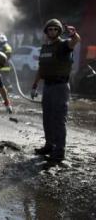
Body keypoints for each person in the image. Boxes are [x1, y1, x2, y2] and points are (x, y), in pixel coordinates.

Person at [31, 19, 80, 162]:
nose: (52, 31)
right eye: (50, 29)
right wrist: (34, 85)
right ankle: (49, 145)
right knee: (47, 118)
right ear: (46, 32)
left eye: (55, 29)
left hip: (60, 87)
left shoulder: (64, 45)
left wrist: (74, 34)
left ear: (59, 31)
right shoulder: (45, 48)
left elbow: (75, 41)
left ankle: (59, 151)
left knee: (59, 119)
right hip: (47, 86)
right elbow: (41, 69)